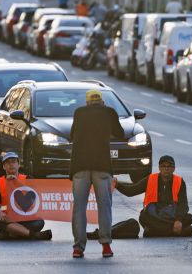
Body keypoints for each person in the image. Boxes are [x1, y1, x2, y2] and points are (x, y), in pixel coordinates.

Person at [69, 89, 124, 258]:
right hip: (102, 165)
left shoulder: (79, 112)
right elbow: (120, 133)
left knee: (79, 207)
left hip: (80, 165)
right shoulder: (109, 112)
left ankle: (78, 247)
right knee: (104, 206)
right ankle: (106, 245)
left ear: (87, 102)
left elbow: (72, 135)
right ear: (101, 101)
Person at [115, 155, 192, 237]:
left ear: (173, 169)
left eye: (169, 166)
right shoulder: (150, 179)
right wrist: (117, 185)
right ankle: (170, 231)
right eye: (163, 166)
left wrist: (178, 220)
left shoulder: (180, 182)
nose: (166, 169)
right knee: (143, 216)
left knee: (189, 218)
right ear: (159, 168)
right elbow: (131, 191)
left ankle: (154, 231)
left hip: (171, 216)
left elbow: (183, 204)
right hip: (154, 215)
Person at [0, 152, 52, 240]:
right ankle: (33, 235)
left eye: (13, 162)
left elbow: (37, 198)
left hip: (26, 219)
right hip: (8, 218)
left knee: (39, 222)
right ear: (4, 166)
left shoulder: (28, 179)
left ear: (18, 165)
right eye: (8, 162)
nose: (11, 165)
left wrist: (17, 182)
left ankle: (8, 235)